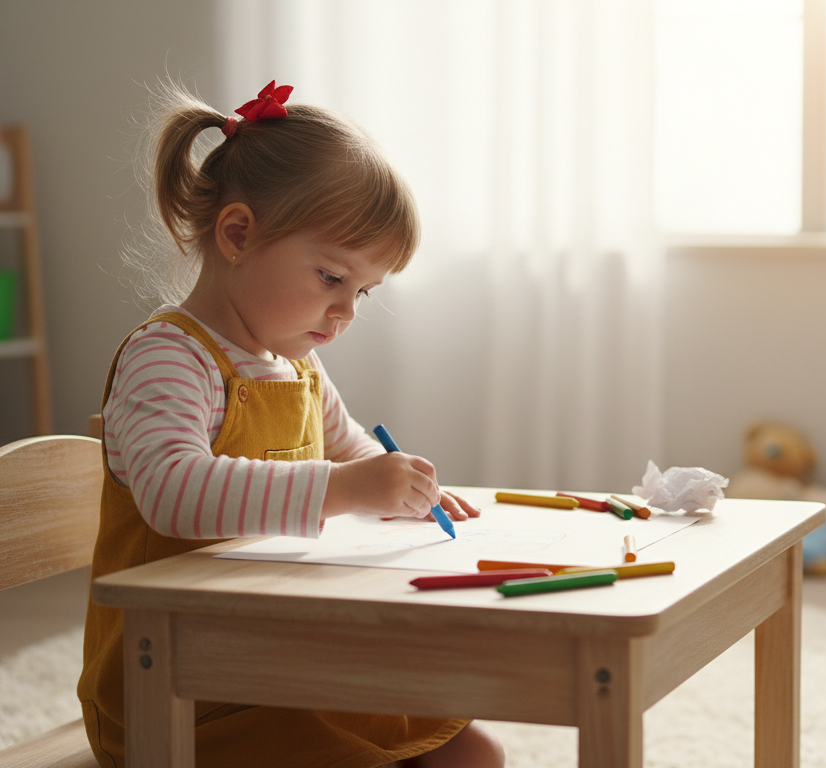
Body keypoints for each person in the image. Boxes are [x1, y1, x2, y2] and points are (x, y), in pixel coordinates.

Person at [77, 80, 505, 768]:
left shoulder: (292, 364)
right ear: (239, 234)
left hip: (282, 659)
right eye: (332, 277)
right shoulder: (169, 357)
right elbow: (172, 491)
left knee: (471, 749)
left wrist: (400, 490)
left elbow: (351, 445)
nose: (347, 312)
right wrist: (348, 489)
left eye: (362, 291)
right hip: (181, 692)